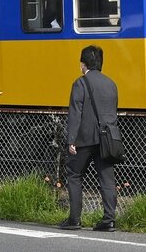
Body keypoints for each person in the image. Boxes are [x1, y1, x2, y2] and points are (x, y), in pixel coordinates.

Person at [59, 45, 119, 232]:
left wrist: (71, 140)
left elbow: (75, 114)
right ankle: (109, 220)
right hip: (106, 139)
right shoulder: (111, 83)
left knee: (74, 175)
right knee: (107, 179)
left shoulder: (80, 83)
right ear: (101, 63)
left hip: (84, 139)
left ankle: (74, 219)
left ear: (83, 64)